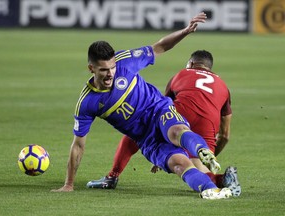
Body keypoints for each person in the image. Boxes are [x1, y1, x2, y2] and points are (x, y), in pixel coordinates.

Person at [52, 12, 232, 199]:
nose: (110, 74)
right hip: (146, 139)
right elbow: (78, 145)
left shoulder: (126, 60)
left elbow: (160, 47)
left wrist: (185, 31)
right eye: (103, 70)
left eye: (112, 68)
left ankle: (201, 151)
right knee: (179, 164)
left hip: (159, 110)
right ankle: (210, 190)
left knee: (176, 131)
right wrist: (69, 184)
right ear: (91, 68)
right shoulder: (88, 102)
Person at [87, 50, 241, 197]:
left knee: (137, 135)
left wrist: (162, 145)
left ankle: (112, 176)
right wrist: (210, 156)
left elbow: (160, 109)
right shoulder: (223, 86)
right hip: (207, 126)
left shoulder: (182, 74)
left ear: (191, 63)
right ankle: (221, 178)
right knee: (198, 169)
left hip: (181, 113)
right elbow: (225, 135)